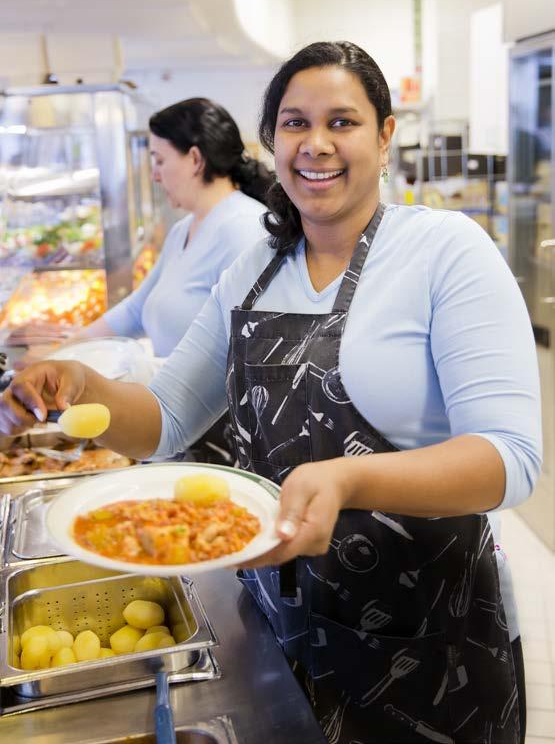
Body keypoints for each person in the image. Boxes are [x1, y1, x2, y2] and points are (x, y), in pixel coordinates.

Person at [0, 42, 541, 744]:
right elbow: (163, 419)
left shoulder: (444, 250)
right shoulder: (256, 266)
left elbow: (509, 458)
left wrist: (347, 478)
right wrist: (81, 381)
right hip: (279, 627)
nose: (316, 144)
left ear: (383, 135)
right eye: (294, 123)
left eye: (341, 121)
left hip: (425, 640)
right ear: (272, 139)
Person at [21, 97, 273, 464]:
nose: (154, 175)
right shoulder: (186, 228)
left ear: (195, 159)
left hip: (213, 433)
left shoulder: (245, 229)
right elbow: (136, 308)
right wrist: (63, 352)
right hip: (164, 414)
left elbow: (243, 352)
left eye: (159, 160)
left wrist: (108, 372)